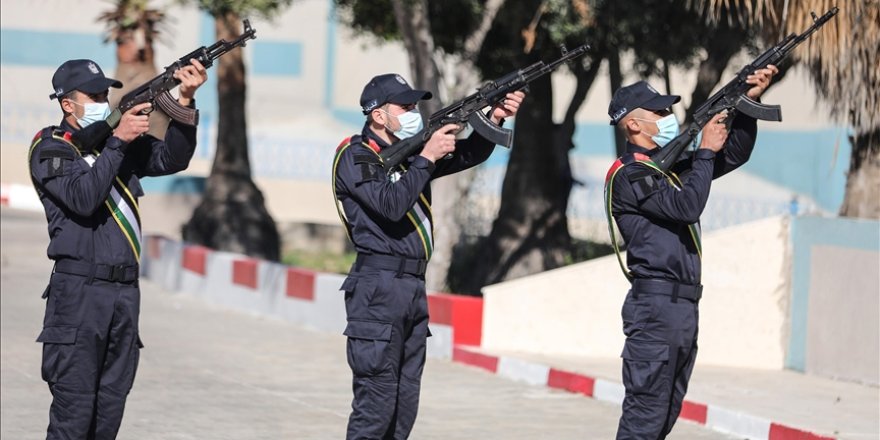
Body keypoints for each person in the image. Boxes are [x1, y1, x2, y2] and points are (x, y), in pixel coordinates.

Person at [332, 73, 524, 439]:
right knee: (376, 408)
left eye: (415, 105)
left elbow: (470, 154)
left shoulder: (408, 157)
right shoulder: (355, 156)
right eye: (404, 107)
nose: (413, 113)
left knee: (404, 409)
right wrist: (426, 158)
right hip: (377, 288)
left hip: (411, 287)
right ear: (378, 116)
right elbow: (390, 205)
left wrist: (494, 117)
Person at [30, 58, 206, 439]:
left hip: (124, 295)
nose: (102, 100)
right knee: (73, 421)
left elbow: (172, 158)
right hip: (78, 296)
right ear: (67, 104)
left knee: (107, 419)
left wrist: (186, 101)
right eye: (92, 95)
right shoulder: (51, 149)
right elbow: (83, 198)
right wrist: (117, 142)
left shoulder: (119, 145)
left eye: (104, 94)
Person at [604, 66, 777, 439]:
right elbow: (686, 207)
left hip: (682, 309)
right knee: (644, 419)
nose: (670, 118)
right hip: (655, 310)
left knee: (664, 416)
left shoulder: (666, 168)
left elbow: (734, 155)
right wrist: (703, 154)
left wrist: (748, 104)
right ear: (633, 125)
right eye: (660, 113)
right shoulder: (629, 175)